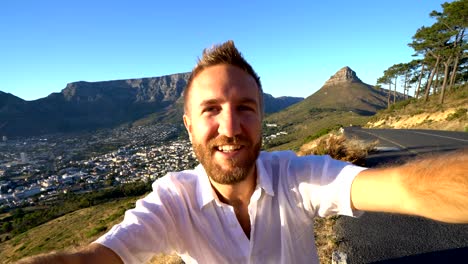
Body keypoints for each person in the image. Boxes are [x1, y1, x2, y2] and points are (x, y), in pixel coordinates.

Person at [18, 40, 468, 264]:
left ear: (262, 116)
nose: (230, 127)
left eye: (245, 108)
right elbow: (102, 258)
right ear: (189, 124)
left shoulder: (297, 176)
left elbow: (407, 188)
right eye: (211, 109)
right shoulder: (172, 200)